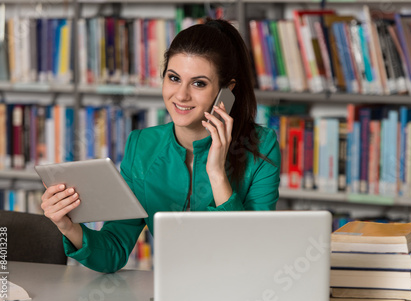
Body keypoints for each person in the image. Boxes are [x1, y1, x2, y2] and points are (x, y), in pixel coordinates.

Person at [40, 18, 281, 273]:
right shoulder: (141, 146)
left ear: (226, 91)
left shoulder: (261, 147)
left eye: (199, 83)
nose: (181, 95)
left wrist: (217, 173)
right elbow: (113, 251)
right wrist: (68, 226)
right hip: (170, 292)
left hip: (239, 297)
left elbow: (252, 254)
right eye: (174, 78)